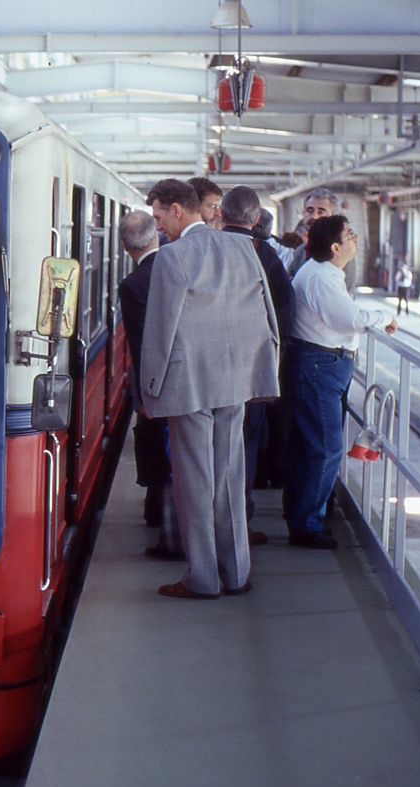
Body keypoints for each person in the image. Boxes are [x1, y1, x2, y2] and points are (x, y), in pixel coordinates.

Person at [140, 179, 279, 599]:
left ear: (179, 210)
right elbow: (265, 310)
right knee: (230, 477)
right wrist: (263, 365)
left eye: (160, 215)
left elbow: (160, 331)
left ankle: (202, 578)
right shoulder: (242, 248)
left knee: (194, 483)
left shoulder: (172, 257)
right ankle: (236, 572)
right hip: (236, 379)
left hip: (191, 384)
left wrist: (150, 390)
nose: (158, 224)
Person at [283, 215, 398, 549]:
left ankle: (302, 516)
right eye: (350, 235)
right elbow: (347, 319)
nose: (356, 238)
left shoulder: (324, 273)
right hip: (319, 365)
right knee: (326, 447)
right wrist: (385, 316)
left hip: (319, 364)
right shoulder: (321, 278)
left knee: (309, 447)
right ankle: (306, 526)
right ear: (336, 247)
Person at [219, 186, 295, 546]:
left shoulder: (203, 250)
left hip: (211, 369)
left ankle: (209, 524)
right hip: (252, 371)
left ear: (220, 214)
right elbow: (285, 309)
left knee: (211, 447)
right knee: (246, 444)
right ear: (255, 220)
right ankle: (240, 522)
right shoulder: (265, 256)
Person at [117, 210, 183, 560]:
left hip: (158, 383)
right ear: (156, 235)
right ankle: (160, 517)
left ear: (126, 246)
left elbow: (142, 344)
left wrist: (143, 395)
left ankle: (171, 539)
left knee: (165, 456)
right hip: (190, 378)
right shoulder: (179, 266)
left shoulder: (133, 285)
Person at [286, 188, 338, 277]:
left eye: (321, 212)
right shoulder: (299, 253)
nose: (314, 216)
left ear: (332, 216)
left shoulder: (340, 252)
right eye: (309, 211)